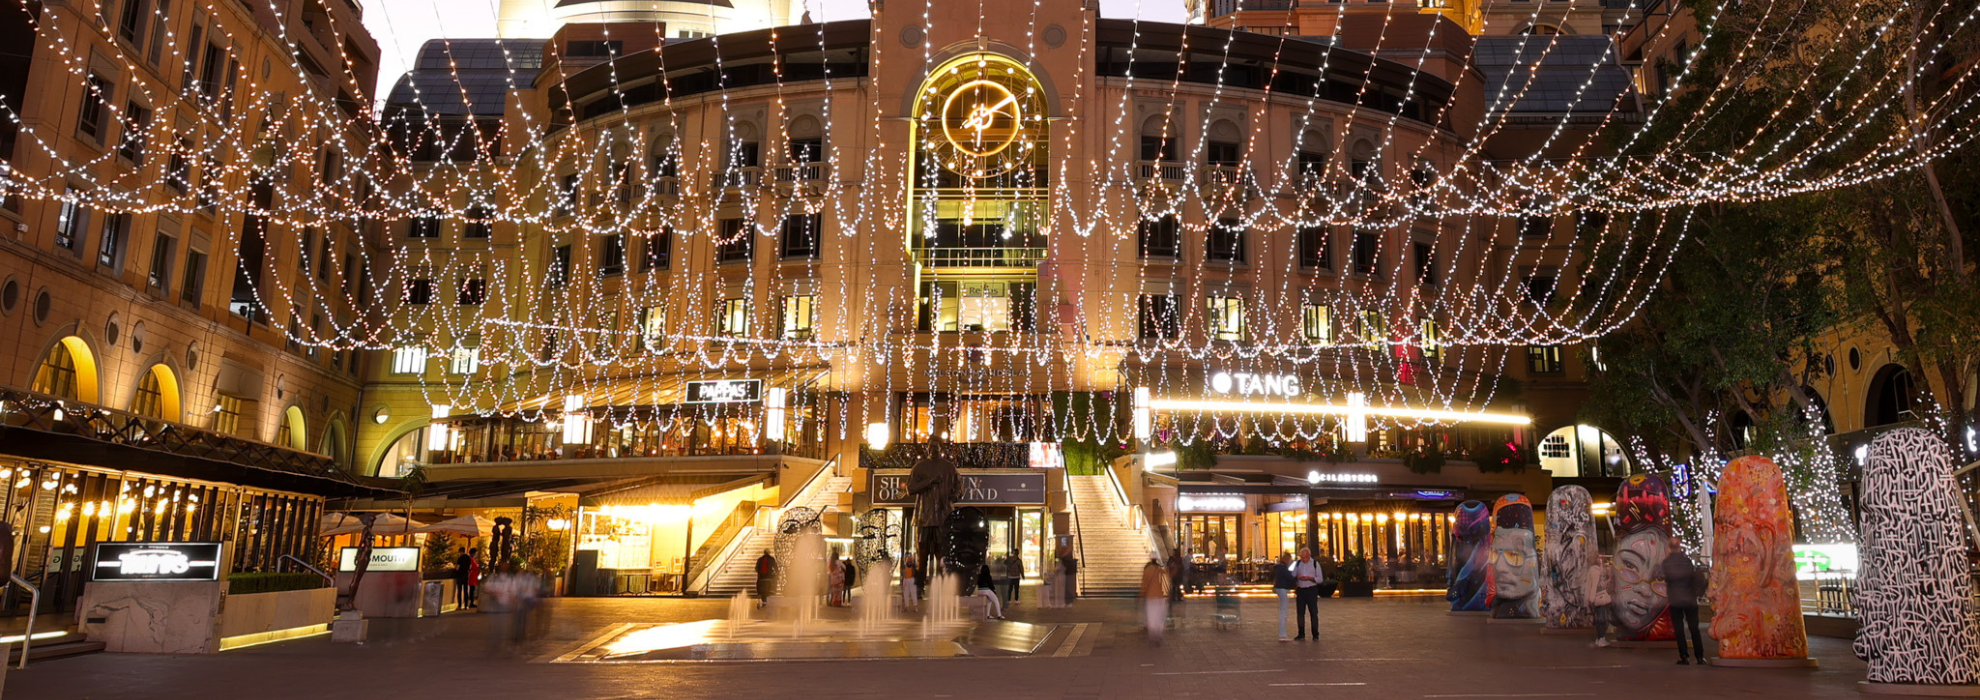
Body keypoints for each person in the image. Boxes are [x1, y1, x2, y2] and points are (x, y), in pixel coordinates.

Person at [1663, 537, 1708, 664]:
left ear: (1670, 548)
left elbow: (1666, 578)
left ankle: (1684, 656)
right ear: (1680, 547)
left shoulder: (1666, 563)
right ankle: (1699, 656)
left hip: (1675, 600)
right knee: (1694, 628)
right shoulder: (1687, 561)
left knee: (1679, 629)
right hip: (1689, 599)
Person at [1291, 547, 1324, 640]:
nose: (1304, 559)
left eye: (1305, 557)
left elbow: (1320, 579)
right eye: (1302, 557)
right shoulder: (1297, 563)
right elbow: (1292, 575)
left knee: (1313, 612)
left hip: (1311, 590)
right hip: (1301, 590)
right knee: (1300, 613)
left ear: (1309, 555)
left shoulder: (1315, 564)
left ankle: (1315, 634)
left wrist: (1310, 578)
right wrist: (1297, 577)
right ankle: (1301, 633)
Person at [1588, 554, 1616, 648]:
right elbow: (1596, 584)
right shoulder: (1594, 570)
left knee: (1603, 618)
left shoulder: (1605, 569)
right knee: (1601, 619)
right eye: (1599, 557)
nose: (1601, 559)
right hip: (1598, 596)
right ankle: (1601, 638)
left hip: (1605, 596)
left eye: (1602, 557)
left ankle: (1600, 638)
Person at [1141, 557, 1169, 645]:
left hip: (1150, 596)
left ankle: (1153, 636)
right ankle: (1158, 634)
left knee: (1152, 616)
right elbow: (1167, 576)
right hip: (1160, 595)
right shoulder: (1160, 569)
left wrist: (1141, 593)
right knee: (1158, 616)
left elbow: (1144, 583)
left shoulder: (1147, 570)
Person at [1272, 552, 1297, 642]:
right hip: (1283, 589)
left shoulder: (1278, 567)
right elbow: (1290, 577)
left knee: (1283, 610)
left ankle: (1283, 634)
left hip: (1280, 588)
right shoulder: (1283, 568)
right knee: (1283, 611)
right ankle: (1282, 634)